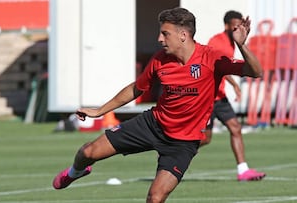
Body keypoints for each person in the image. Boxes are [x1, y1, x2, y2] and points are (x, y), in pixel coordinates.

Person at [52, 7, 262, 203]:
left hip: (183, 143)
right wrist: (99, 111)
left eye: (165, 33)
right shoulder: (160, 59)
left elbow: (256, 72)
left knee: (155, 197)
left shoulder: (211, 58)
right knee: (87, 153)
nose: (159, 39)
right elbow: (137, 88)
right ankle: (75, 172)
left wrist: (241, 45)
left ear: (183, 35)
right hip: (152, 125)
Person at [200, 10, 266, 181]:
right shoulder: (218, 42)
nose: (237, 27)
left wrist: (233, 85)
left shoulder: (233, 42)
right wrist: (235, 84)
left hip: (219, 97)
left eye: (239, 24)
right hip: (207, 99)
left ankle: (243, 170)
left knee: (235, 128)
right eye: (234, 24)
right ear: (226, 26)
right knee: (205, 139)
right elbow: (219, 66)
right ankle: (174, 148)